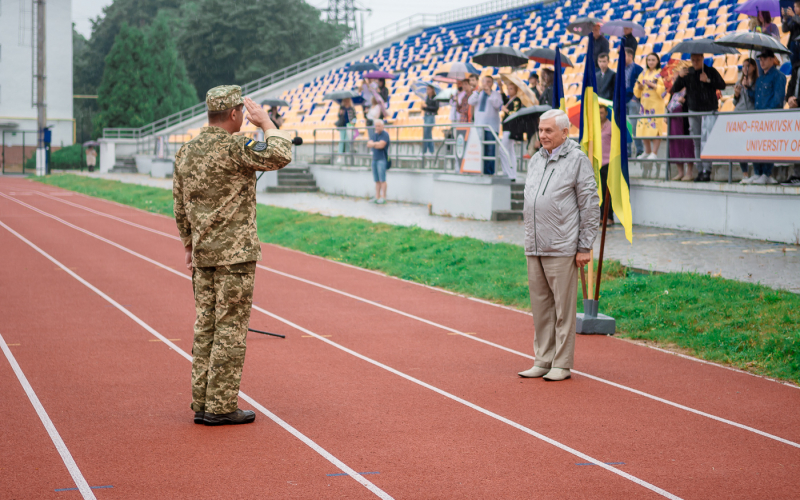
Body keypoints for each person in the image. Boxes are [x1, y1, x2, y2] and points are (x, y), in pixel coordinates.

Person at [173, 85, 292, 426]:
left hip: (204, 254)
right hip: (235, 256)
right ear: (235, 113)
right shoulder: (237, 146)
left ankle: (202, 400)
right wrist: (267, 124)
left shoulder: (186, 152)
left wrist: (188, 245)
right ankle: (221, 406)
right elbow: (280, 155)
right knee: (231, 329)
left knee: (205, 326)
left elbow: (180, 205)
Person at [518, 109, 600, 382]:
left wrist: (585, 246)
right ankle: (542, 359)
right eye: (541, 130)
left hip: (563, 246)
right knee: (541, 308)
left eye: (548, 131)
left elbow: (589, 204)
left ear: (565, 133)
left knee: (564, 310)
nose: (543, 135)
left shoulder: (577, 160)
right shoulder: (536, 160)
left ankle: (562, 364)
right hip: (535, 245)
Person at [670, 53, 726, 182]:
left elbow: (722, 85)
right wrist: (680, 77)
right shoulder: (687, 73)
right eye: (693, 60)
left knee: (706, 140)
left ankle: (707, 170)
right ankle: (700, 170)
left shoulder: (710, 71)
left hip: (708, 109)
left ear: (702, 59)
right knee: (696, 141)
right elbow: (675, 89)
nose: (695, 62)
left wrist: (708, 80)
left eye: (697, 60)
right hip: (693, 110)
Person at [748, 49, 786, 185]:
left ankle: (766, 173)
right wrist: (747, 89)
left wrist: (766, 113)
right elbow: (755, 98)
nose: (761, 61)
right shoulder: (760, 79)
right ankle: (758, 172)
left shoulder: (778, 76)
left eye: (764, 58)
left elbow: (778, 100)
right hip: (759, 118)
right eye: (760, 58)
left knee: (767, 145)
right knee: (757, 145)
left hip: (769, 118)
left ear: (772, 59)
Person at [634, 53, 666, 162]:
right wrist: (639, 87)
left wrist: (653, 85)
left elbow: (664, 90)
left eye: (653, 60)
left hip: (656, 106)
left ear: (657, 61)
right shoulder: (643, 73)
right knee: (643, 126)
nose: (651, 62)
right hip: (644, 105)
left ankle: (654, 152)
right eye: (649, 60)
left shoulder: (661, 74)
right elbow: (637, 93)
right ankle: (647, 151)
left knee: (655, 128)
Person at [468, 75, 504, 175]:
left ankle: (490, 173)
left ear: (492, 84)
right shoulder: (477, 94)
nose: (487, 84)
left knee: (490, 151)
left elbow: (497, 105)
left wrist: (489, 94)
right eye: (485, 82)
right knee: (479, 150)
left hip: (491, 128)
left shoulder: (496, 94)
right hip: (479, 127)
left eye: (489, 82)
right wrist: (478, 91)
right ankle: (480, 171)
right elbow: (470, 101)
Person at [666, 63, 695, 181]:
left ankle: (689, 172)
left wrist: (684, 102)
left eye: (676, 76)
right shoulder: (673, 92)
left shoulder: (689, 89)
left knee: (687, 144)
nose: (674, 79)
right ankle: (680, 172)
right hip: (674, 122)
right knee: (676, 144)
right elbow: (669, 105)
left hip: (684, 121)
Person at [499, 77, 531, 181]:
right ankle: (512, 174)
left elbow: (515, 113)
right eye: (508, 88)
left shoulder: (517, 100)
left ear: (516, 90)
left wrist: (506, 110)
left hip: (511, 128)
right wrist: (500, 87)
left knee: (503, 150)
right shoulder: (510, 100)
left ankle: (507, 173)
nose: (509, 90)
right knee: (510, 151)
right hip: (506, 128)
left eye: (511, 89)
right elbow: (503, 97)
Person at [733, 58, 757, 182]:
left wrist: (748, 88)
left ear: (753, 67)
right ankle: (745, 173)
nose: (745, 68)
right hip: (740, 116)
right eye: (743, 66)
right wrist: (736, 95)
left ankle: (756, 172)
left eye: (747, 66)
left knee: (752, 145)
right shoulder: (739, 81)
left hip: (752, 117)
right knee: (740, 146)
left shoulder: (757, 82)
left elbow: (755, 100)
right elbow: (734, 102)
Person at [623, 47, 645, 158]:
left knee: (635, 126)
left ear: (630, 56)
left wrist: (635, 98)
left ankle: (639, 150)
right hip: (623, 101)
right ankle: (627, 151)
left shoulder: (638, 69)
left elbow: (642, 85)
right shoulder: (621, 69)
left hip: (633, 100)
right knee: (625, 127)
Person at [367, 119, 390, 203]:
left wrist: (374, 144)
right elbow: (369, 144)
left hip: (382, 159)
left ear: (382, 126)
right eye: (376, 126)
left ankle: (383, 197)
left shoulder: (385, 135)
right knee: (377, 180)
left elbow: (381, 145)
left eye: (379, 126)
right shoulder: (374, 135)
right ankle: (377, 196)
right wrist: (376, 144)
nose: (377, 127)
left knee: (382, 179)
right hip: (375, 158)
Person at [598, 104, 614, 223]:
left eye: (602, 112)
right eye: (598, 112)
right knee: (598, 191)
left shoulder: (611, 126)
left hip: (608, 162)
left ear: (606, 113)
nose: (600, 115)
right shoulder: (594, 126)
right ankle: (600, 216)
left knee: (607, 190)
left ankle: (609, 216)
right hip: (597, 163)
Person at [422, 85, 439, 155]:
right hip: (426, 116)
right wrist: (423, 107)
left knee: (426, 133)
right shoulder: (427, 98)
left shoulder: (435, 98)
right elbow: (426, 108)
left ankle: (425, 151)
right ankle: (431, 151)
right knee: (428, 134)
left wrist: (427, 107)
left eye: (428, 89)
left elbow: (436, 108)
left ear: (432, 90)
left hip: (431, 116)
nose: (427, 91)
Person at [782, 2, 800, 67]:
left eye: (796, 7)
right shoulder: (794, 18)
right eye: (794, 7)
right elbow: (785, 30)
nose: (794, 9)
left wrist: (793, 16)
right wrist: (784, 19)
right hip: (793, 46)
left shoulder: (795, 17)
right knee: (794, 66)